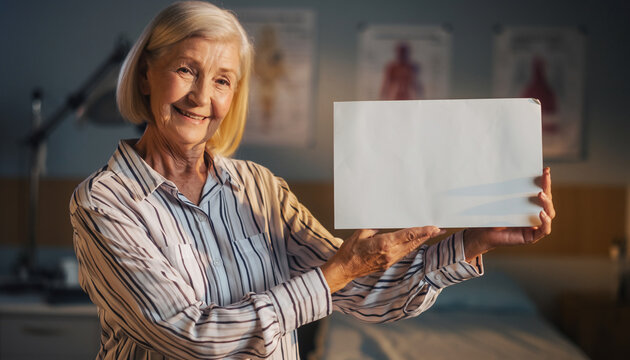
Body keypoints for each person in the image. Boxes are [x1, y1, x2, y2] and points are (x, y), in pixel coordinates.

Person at [69, 2, 556, 359]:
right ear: (145, 75)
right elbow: (192, 337)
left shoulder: (259, 187)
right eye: (185, 69)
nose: (201, 96)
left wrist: (473, 241)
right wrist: (337, 274)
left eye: (222, 80)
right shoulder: (103, 202)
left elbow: (362, 292)